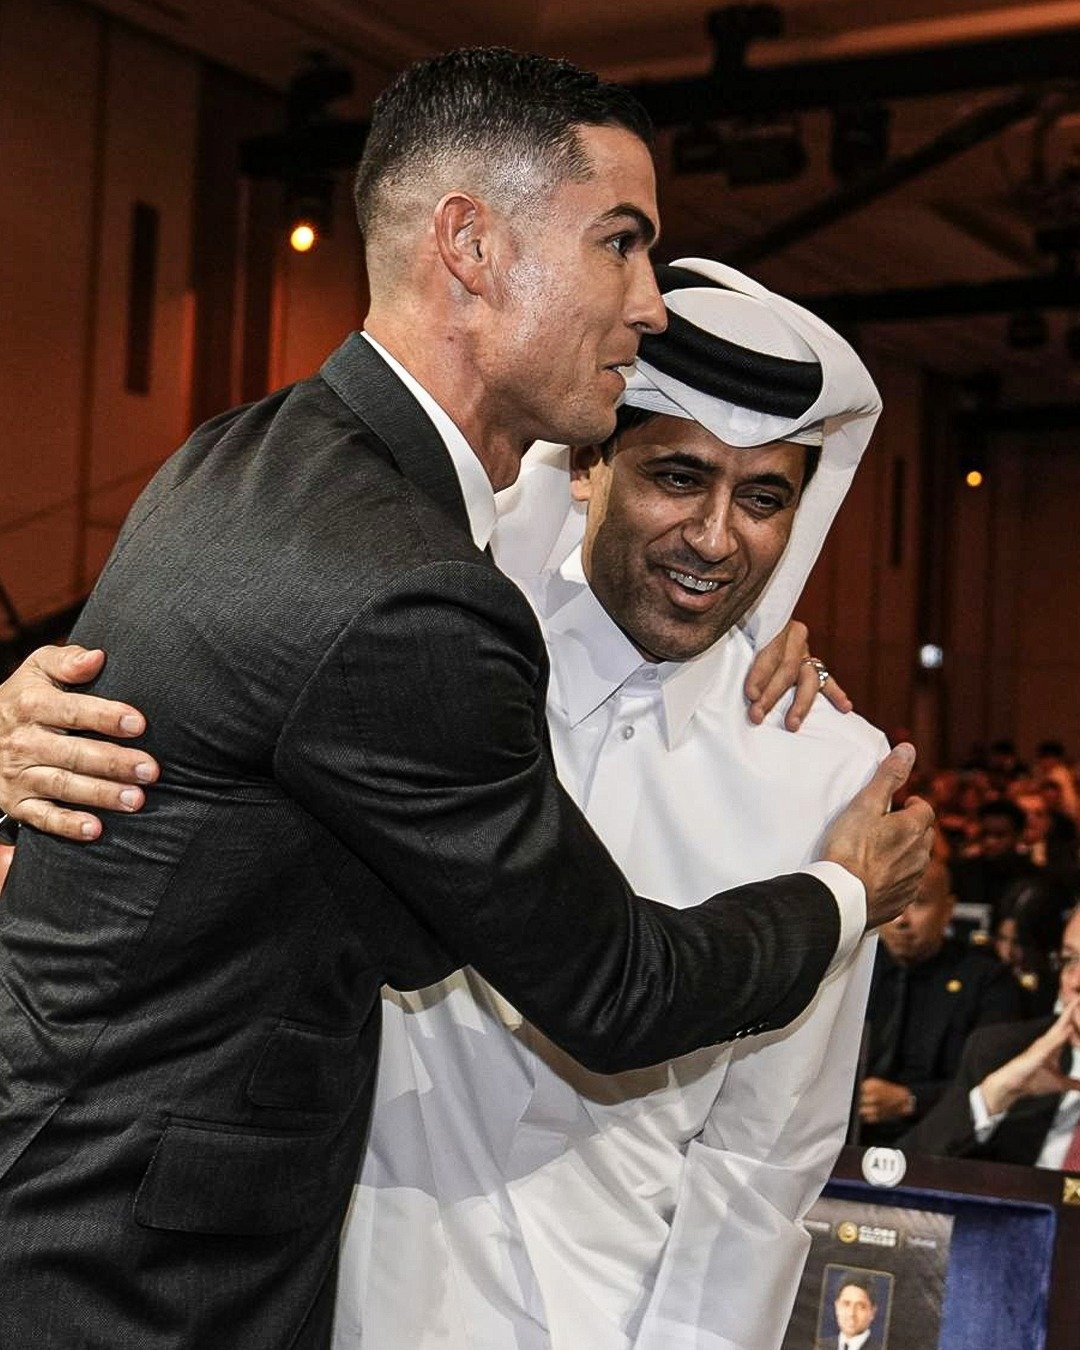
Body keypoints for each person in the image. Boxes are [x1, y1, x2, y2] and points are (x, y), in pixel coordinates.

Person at [0, 50, 931, 1350]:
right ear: (472, 246)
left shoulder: (255, 462)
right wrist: (846, 892)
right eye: (620, 245)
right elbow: (614, 986)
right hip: (221, 1281)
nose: (645, 300)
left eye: (765, 496)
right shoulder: (437, 607)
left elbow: (762, 1159)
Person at [333, 259, 889, 1350]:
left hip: (603, 1323)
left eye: (763, 498)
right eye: (679, 477)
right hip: (346, 1288)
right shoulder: (430, 656)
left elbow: (764, 1156)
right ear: (590, 465)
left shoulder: (825, 771)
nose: (716, 538)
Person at [858, 858, 1022, 1144]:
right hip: (845, 1137)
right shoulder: (853, 972)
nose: (900, 920)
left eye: (917, 903)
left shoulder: (986, 981)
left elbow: (997, 1080)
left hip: (943, 1142)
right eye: (892, 902)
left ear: (948, 910)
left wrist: (911, 1099)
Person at [903, 906, 1080, 1166]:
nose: (1075, 981)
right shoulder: (1002, 1052)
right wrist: (993, 1097)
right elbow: (899, 1171)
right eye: (1070, 960)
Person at [819, 1274, 883, 1350]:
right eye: (846, 1304)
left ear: (872, 1312)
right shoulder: (819, 1346)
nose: (851, 1313)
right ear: (836, 1306)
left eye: (861, 1307)